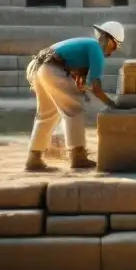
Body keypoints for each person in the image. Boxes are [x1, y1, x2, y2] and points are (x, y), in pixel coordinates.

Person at [24, 21, 124, 171]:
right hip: (52, 68)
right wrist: (112, 104)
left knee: (47, 114)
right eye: (115, 45)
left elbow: (82, 81)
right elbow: (96, 87)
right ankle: (78, 156)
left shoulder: (87, 45)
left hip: (38, 67)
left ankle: (34, 158)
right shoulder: (95, 49)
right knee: (74, 109)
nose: (113, 50)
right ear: (109, 39)